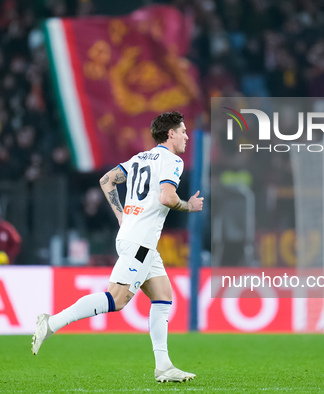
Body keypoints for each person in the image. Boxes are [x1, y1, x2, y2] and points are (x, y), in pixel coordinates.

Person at [31, 111, 204, 383]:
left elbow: (106, 181)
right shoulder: (172, 161)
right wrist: (189, 206)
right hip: (140, 242)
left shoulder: (139, 159)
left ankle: (164, 366)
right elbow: (168, 198)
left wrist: (122, 215)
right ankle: (51, 323)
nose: (186, 136)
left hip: (134, 237)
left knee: (163, 297)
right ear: (170, 134)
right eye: (182, 130)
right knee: (116, 300)